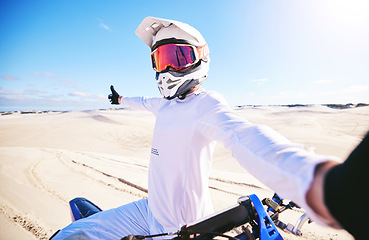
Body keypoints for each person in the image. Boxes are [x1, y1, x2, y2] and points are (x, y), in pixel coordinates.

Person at [52, 16, 365, 240]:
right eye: (161, 59)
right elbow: (141, 100)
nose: (168, 68)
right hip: (149, 210)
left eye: (178, 56)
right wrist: (120, 99)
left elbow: (243, 135)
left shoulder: (205, 105)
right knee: (69, 235)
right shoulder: (163, 105)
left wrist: (315, 180)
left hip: (180, 227)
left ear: (198, 60)